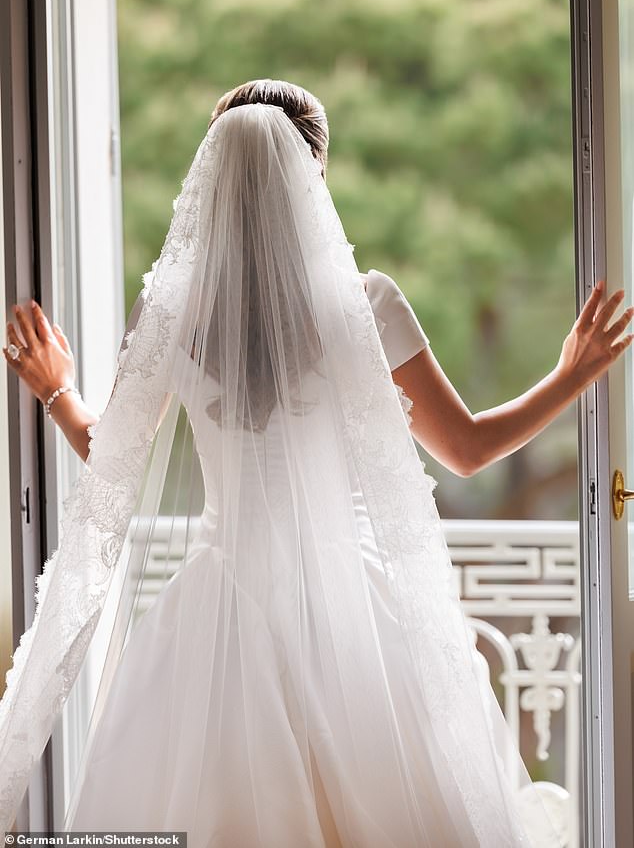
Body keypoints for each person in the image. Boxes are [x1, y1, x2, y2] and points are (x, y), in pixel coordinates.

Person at [0, 79, 631, 846]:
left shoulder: (175, 312)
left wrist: (56, 390)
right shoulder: (366, 303)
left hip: (217, 608)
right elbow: (467, 449)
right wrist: (570, 373)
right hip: (354, 609)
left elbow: (113, 461)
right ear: (314, 177)